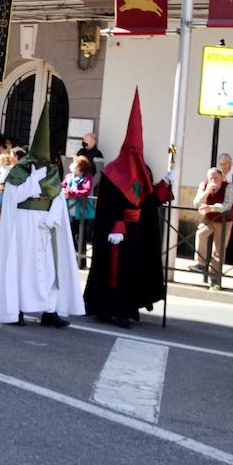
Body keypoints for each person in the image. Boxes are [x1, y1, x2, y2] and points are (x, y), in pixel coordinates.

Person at [0, 101, 84, 328]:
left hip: (46, 226)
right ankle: (19, 309)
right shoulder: (20, 171)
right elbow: (15, 197)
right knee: (24, 268)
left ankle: (48, 310)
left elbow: (59, 198)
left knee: (50, 269)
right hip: (24, 226)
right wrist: (34, 179)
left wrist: (51, 218)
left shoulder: (52, 172)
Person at [85, 91, 172, 328]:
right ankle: (112, 309)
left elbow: (148, 201)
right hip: (116, 233)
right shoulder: (112, 173)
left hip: (135, 233)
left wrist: (164, 185)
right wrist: (116, 226)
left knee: (132, 271)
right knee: (114, 272)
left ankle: (128, 307)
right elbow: (106, 205)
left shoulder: (145, 173)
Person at [192, 166, 233, 288]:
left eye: (215, 177)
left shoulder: (228, 187)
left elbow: (227, 205)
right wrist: (206, 192)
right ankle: (200, 263)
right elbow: (196, 203)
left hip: (224, 220)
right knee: (201, 233)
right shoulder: (204, 185)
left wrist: (211, 207)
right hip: (209, 218)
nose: (213, 180)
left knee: (218, 249)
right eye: (211, 178)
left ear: (221, 177)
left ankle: (215, 278)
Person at [63, 154, 95, 269]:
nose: (72, 166)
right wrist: (64, 191)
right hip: (70, 211)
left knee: (80, 237)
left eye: (75, 164)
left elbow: (86, 191)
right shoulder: (69, 176)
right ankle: (72, 260)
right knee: (70, 236)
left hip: (82, 213)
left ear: (81, 167)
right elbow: (63, 186)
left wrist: (71, 193)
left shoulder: (88, 177)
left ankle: (81, 262)